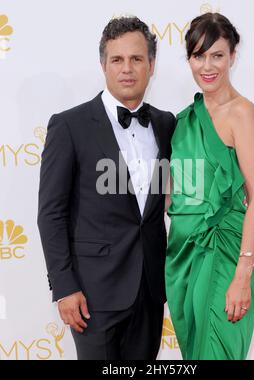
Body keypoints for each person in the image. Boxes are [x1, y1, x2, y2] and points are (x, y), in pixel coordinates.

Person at [37, 16, 175, 360]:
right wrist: (65, 287)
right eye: (117, 59)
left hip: (149, 290)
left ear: (151, 65)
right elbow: (51, 213)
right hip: (92, 295)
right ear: (103, 65)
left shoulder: (166, 123)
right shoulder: (70, 125)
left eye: (137, 59)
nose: (127, 69)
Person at [165, 12, 254, 360]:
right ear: (189, 59)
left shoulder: (243, 112)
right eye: (198, 55)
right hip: (184, 255)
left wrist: (243, 271)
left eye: (217, 55)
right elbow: (178, 196)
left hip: (225, 255)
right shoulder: (183, 121)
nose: (207, 66)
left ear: (232, 56)